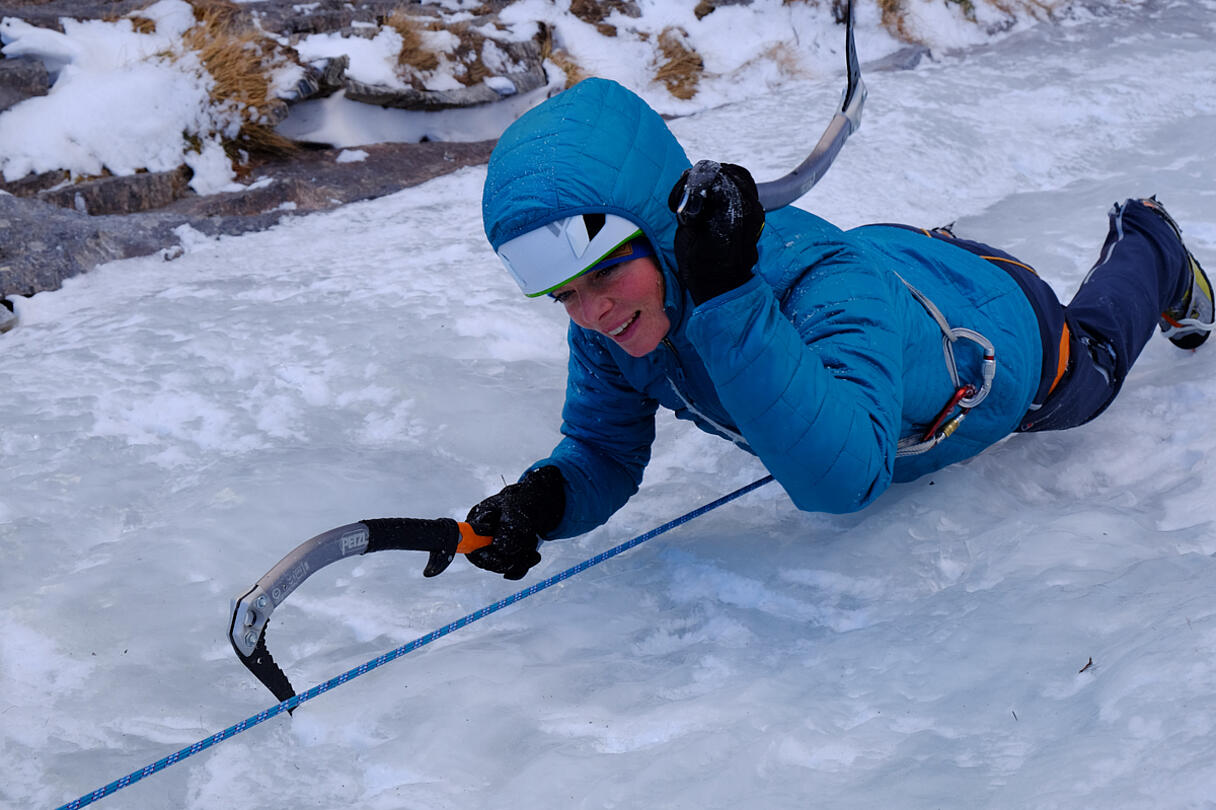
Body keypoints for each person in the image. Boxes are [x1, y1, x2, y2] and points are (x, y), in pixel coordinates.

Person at [462, 77, 1214, 581]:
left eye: (602, 274)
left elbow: (845, 479)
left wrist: (726, 299)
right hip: (893, 265)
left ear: (662, 234)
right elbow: (601, 448)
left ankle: (1154, 243)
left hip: (994, 327)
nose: (590, 312)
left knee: (1094, 371)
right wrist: (540, 503)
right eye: (562, 294)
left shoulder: (804, 289)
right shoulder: (615, 320)